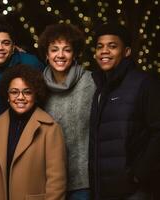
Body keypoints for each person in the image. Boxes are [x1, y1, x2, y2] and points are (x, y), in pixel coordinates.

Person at [89, 22, 160, 200]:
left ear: (127, 52)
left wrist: (138, 175)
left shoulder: (145, 83)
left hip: (135, 192)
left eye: (112, 46)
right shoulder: (98, 88)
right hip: (103, 191)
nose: (104, 51)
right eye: (100, 46)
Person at [0, 64, 67, 200]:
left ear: (36, 95)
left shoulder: (50, 129)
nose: (20, 97)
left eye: (27, 92)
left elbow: (57, 182)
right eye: (14, 92)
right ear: (7, 96)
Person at [38, 23, 95, 200]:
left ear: (75, 54)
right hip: (48, 181)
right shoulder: (38, 88)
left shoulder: (92, 82)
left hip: (84, 182)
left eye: (67, 50)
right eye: (54, 49)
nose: (60, 55)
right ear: (47, 55)